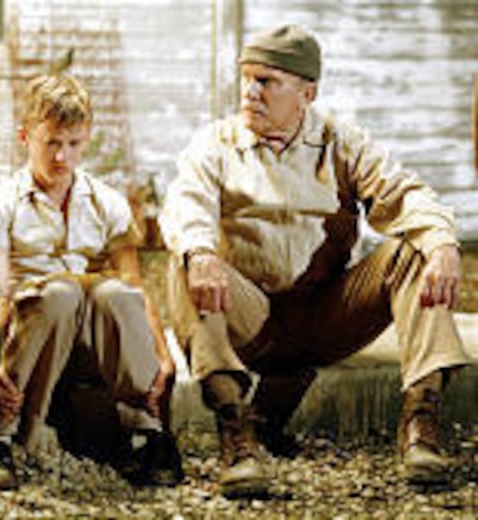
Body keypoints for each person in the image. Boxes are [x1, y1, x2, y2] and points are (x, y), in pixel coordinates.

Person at [159, 25, 471, 498]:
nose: (250, 92)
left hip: (325, 313)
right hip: (251, 317)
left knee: (416, 249)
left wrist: (443, 244)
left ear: (307, 94)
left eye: (266, 81)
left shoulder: (340, 142)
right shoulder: (215, 144)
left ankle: (420, 423)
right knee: (186, 260)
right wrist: (199, 251)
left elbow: (404, 192)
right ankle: (236, 433)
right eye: (246, 78)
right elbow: (186, 204)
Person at [0, 74, 184, 490]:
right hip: (33, 337)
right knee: (60, 293)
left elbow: (135, 287)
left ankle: (147, 433)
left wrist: (163, 356)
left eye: (73, 143)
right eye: (51, 143)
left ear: (86, 139)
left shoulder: (108, 203)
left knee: (116, 292)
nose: (62, 157)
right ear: (25, 137)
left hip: (93, 342)